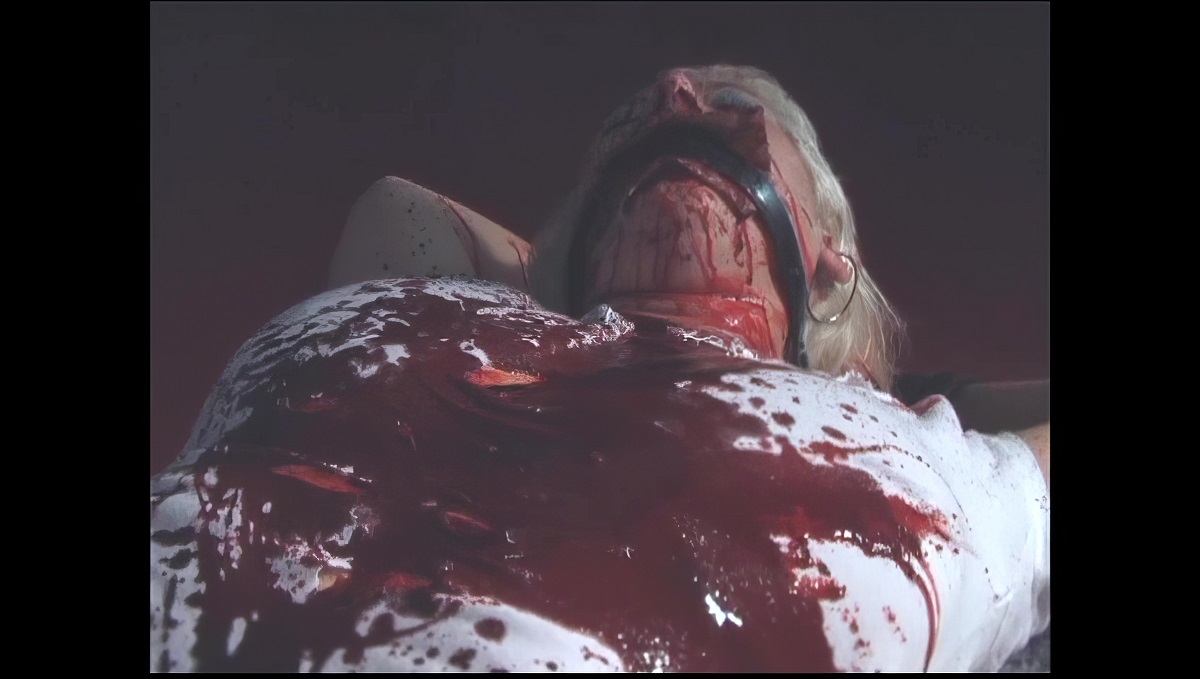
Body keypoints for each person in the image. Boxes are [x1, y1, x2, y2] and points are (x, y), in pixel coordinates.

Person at [150, 65, 1048, 672]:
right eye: (643, 116)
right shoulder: (433, 313)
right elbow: (399, 207)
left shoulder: (897, 464)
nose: (676, 90)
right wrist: (566, 274)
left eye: (735, 101)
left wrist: (893, 380)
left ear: (830, 260)